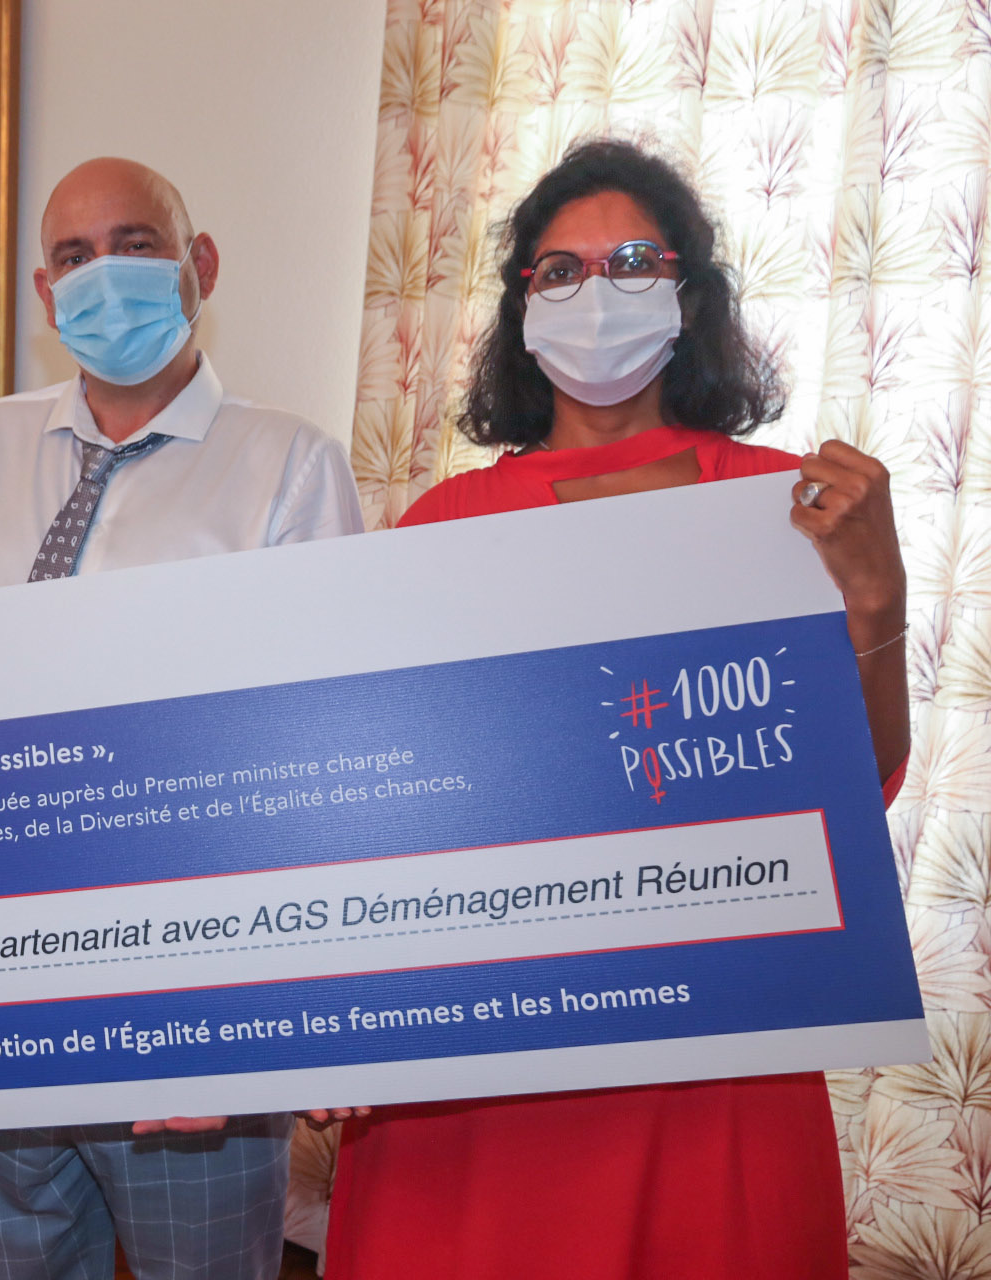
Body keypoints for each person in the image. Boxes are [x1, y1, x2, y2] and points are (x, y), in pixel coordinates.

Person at [323, 138, 910, 1279]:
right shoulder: (442, 525)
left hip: (714, 1069)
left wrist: (875, 596)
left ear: (687, 295)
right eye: (561, 270)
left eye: (635, 262)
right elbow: (380, 813)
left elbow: (863, 784)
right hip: (475, 1094)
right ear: (520, 307)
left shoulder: (790, 503)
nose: (599, 292)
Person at [0, 156, 363, 1280]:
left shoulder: (288, 464)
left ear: (199, 265)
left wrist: (268, 1006)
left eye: (136, 243)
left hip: (188, 997)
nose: (103, 274)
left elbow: (323, 741)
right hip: (1, 974)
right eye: (74, 256)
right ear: (43, 291)